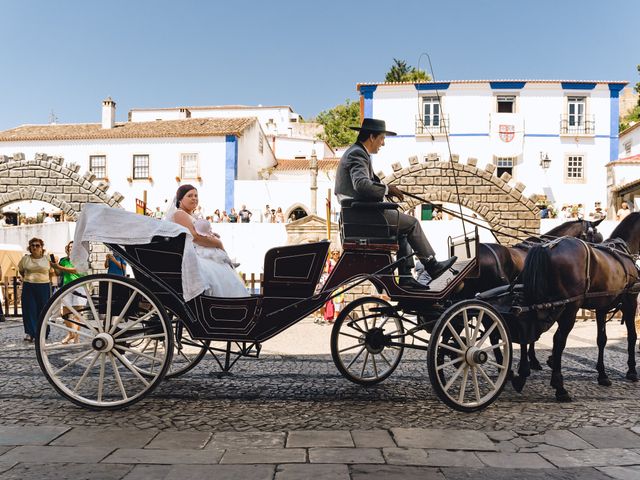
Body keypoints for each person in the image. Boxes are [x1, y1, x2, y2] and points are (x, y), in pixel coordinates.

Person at [334, 118, 457, 289]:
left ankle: (406, 278)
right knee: (412, 223)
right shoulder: (358, 153)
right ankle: (432, 265)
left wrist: (385, 191)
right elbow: (361, 185)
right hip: (363, 216)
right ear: (371, 137)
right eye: (382, 138)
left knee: (402, 229)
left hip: (359, 214)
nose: (383, 144)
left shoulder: (357, 152)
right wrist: (386, 189)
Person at [167, 184, 247, 297]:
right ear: (180, 199)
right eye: (189, 195)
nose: (194, 198)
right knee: (219, 273)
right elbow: (194, 237)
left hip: (201, 249)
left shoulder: (192, 215)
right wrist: (218, 243)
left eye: (196, 195)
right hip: (194, 251)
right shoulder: (180, 214)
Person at [18, 237, 54, 342]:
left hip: (43, 286)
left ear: (41, 247)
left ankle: (43, 332)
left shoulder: (47, 258)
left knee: (43, 309)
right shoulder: (25, 259)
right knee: (29, 309)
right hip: (29, 286)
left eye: (37, 245)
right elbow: (21, 271)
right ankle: (30, 332)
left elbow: (52, 272)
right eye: (32, 245)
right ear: (30, 247)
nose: (35, 247)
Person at [51, 241, 85, 344]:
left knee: (77, 314)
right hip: (66, 287)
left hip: (79, 287)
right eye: (69, 247)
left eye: (73, 247)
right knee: (65, 313)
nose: (71, 248)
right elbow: (58, 273)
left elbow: (76, 270)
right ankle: (71, 334)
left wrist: (59, 267)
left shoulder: (81, 259)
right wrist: (54, 266)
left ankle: (76, 338)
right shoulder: (63, 260)